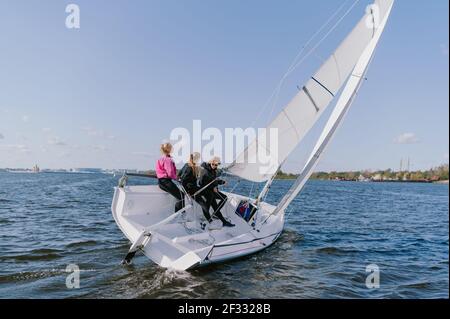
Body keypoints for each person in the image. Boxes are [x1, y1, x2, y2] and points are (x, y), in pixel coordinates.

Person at [198, 157, 235, 227]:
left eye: (216, 165)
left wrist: (221, 182)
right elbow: (202, 183)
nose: (215, 166)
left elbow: (213, 181)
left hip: (212, 191)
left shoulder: (213, 170)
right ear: (210, 163)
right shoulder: (205, 171)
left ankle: (219, 218)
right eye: (214, 164)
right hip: (205, 191)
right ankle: (208, 220)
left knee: (224, 198)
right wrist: (213, 187)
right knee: (210, 203)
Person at [178, 152, 213, 224]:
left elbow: (179, 175)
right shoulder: (190, 168)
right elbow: (183, 181)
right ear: (196, 159)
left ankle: (207, 217)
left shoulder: (187, 165)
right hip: (192, 190)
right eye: (198, 158)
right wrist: (187, 192)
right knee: (204, 205)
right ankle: (210, 221)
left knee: (210, 195)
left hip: (195, 188)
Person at [155, 142, 184, 213]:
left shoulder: (160, 159)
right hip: (166, 182)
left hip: (161, 182)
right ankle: (179, 216)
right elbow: (170, 173)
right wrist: (177, 178)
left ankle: (181, 214)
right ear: (170, 149)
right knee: (181, 196)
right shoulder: (168, 160)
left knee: (179, 195)